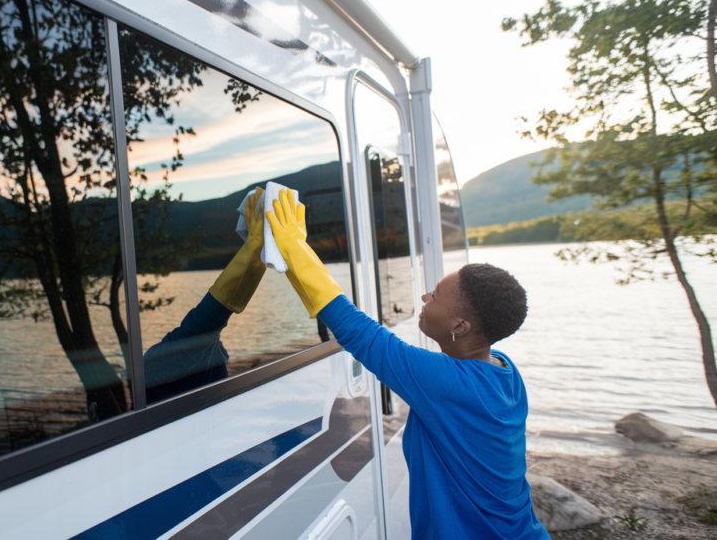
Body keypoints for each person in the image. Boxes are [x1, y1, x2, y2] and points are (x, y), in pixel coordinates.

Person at [266, 188, 550, 540]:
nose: (424, 297)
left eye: (435, 295)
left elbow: (360, 333)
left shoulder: (446, 383)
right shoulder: (505, 371)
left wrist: (294, 246)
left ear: (459, 327)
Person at [142, 187, 267, 403]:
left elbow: (205, 325)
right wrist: (254, 250)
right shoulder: (160, 363)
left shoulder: (158, 364)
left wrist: (254, 251)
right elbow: (206, 321)